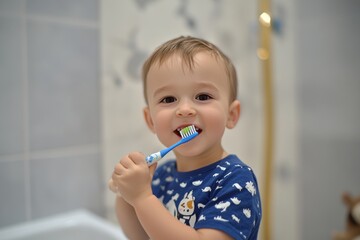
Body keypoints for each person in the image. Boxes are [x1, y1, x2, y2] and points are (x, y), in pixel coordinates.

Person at [108, 36, 262, 240]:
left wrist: (142, 198)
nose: (185, 110)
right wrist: (127, 196)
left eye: (203, 96)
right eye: (169, 99)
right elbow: (141, 236)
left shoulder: (236, 180)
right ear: (151, 120)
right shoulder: (162, 176)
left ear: (231, 115)